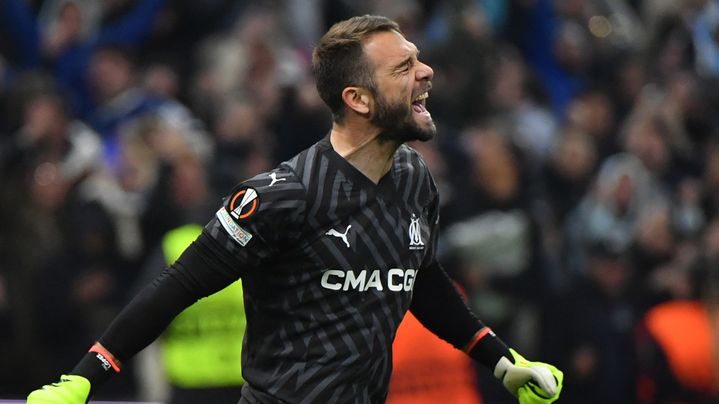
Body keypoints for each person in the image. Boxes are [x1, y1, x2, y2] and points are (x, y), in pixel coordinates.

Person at [27, 15, 563, 404]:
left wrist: (503, 362)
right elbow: (179, 285)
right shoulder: (282, 195)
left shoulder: (414, 179)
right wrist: (86, 377)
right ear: (359, 99)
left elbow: (419, 277)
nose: (427, 73)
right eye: (405, 67)